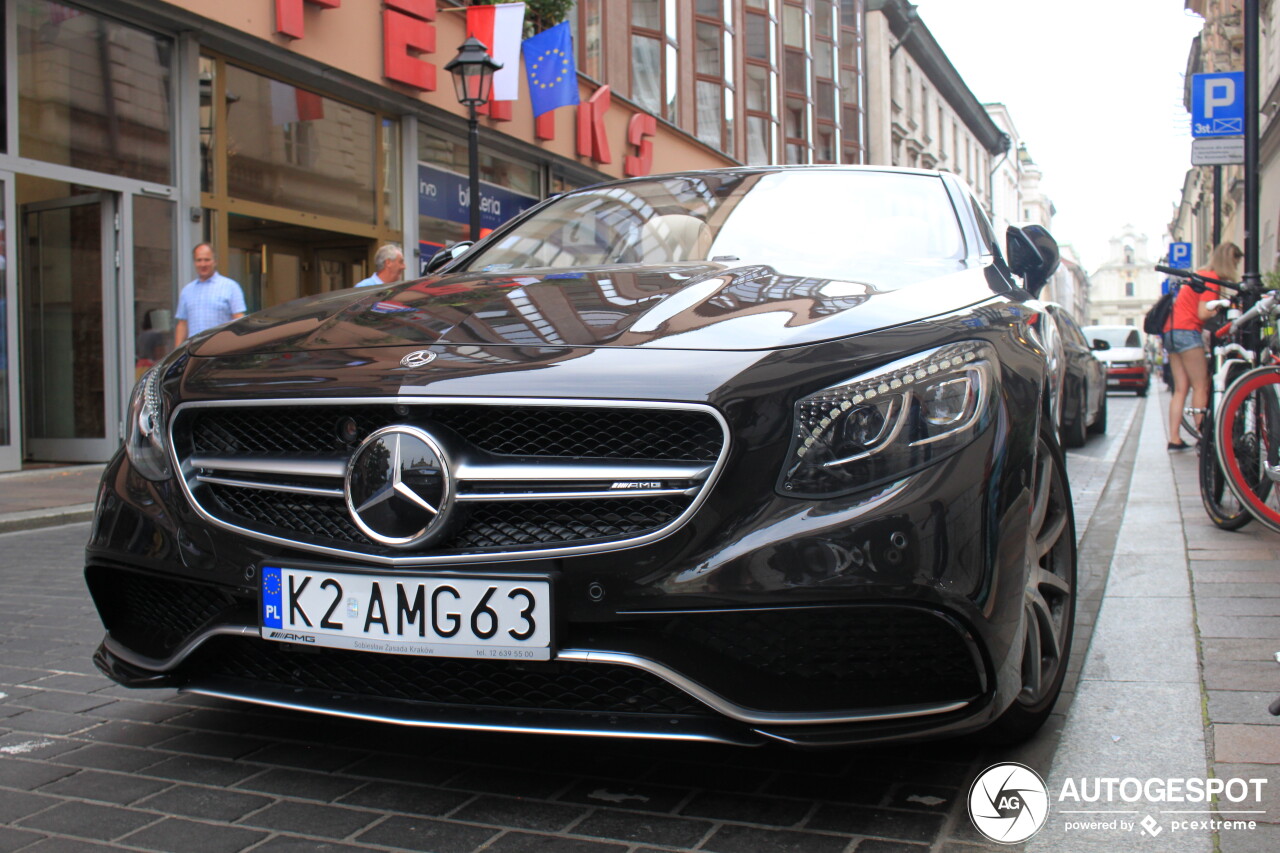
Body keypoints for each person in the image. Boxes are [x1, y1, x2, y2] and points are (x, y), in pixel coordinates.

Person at [1165, 241, 1242, 450]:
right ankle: (1203, 435)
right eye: (1235, 262)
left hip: (1170, 331)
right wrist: (1223, 306)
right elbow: (1203, 313)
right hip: (1188, 332)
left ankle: (1174, 438)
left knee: (1180, 389)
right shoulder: (1211, 278)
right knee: (1201, 385)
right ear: (1229, 260)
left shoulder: (1198, 274)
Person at [174, 243, 246, 346]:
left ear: (215, 261)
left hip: (221, 350)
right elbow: (182, 324)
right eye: (199, 260)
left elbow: (239, 319)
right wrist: (176, 353)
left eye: (207, 260)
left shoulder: (230, 287)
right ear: (194, 262)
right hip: (194, 352)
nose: (203, 264)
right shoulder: (187, 290)